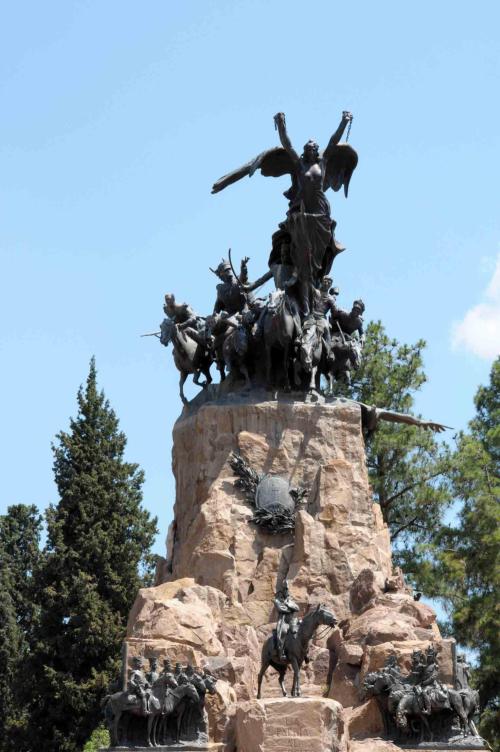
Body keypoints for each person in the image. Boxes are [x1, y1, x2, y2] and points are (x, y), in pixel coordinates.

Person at [273, 579, 300, 661]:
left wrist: (288, 604)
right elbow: (281, 609)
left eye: (287, 590)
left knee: (303, 630)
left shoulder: (290, 601)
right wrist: (290, 609)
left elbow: (297, 608)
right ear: (282, 590)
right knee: (282, 632)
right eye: (285, 589)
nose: (286, 591)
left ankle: (305, 652)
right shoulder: (277, 600)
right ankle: (281, 653)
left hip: (292, 620)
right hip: (283, 621)